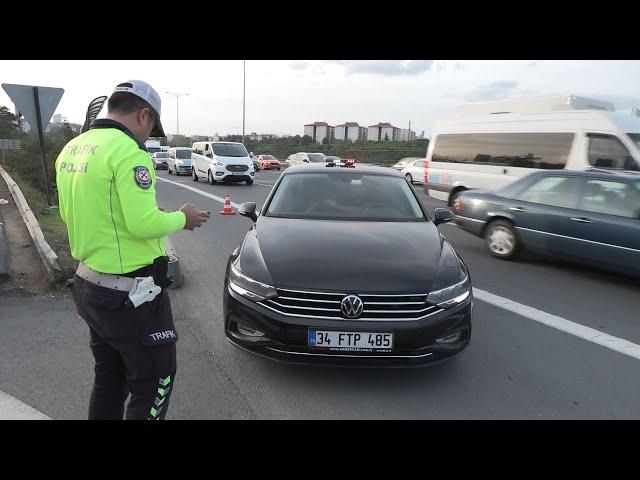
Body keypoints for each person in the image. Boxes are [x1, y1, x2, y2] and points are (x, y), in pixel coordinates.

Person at [55, 80, 210, 420]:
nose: (148, 135)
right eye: (152, 126)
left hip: (89, 286)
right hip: (130, 296)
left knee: (109, 381)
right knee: (155, 381)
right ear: (144, 115)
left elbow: (68, 215)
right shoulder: (128, 152)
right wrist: (182, 218)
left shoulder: (73, 148)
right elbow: (143, 224)